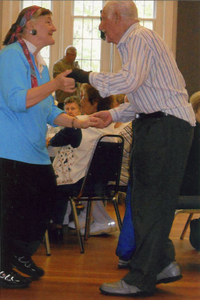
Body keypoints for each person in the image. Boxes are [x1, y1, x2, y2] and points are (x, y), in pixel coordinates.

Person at [67, 1, 196, 296]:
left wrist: (83, 76)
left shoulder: (138, 37)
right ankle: (163, 264)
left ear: (116, 17)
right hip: (161, 125)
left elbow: (128, 81)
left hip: (164, 129)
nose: (100, 26)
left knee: (150, 203)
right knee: (144, 201)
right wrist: (111, 115)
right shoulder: (138, 42)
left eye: (102, 20)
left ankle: (140, 278)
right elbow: (143, 96)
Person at [0, 6, 97, 289]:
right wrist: (54, 83)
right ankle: (3, 265)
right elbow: (18, 101)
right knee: (11, 213)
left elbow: (46, 110)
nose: (53, 27)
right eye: (47, 22)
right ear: (29, 26)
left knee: (43, 206)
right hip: (10, 151)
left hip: (34, 154)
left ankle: (18, 254)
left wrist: (78, 122)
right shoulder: (10, 57)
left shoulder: (39, 64)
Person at [49, 84, 119, 239]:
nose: (81, 102)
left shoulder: (79, 123)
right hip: (98, 181)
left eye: (83, 97)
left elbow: (55, 140)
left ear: (95, 102)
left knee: (52, 180)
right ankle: (72, 219)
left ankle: (57, 224)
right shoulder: (110, 127)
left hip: (77, 182)